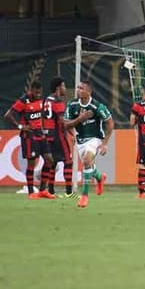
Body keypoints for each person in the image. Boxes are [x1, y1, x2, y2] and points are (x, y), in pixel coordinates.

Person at [64, 80, 114, 208]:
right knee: (89, 165)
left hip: (95, 139)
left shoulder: (97, 106)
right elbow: (65, 124)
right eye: (78, 88)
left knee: (87, 161)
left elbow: (109, 122)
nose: (78, 90)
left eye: (81, 88)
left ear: (88, 91)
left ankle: (84, 196)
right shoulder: (72, 104)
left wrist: (105, 143)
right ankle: (100, 177)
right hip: (80, 139)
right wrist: (78, 123)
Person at [3, 81, 54, 200]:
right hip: (29, 136)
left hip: (41, 134)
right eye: (36, 92)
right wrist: (20, 126)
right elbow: (7, 115)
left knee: (50, 160)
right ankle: (31, 192)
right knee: (32, 163)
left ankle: (42, 190)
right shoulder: (23, 101)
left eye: (40, 92)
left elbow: (41, 115)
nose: (38, 95)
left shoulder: (41, 100)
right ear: (30, 90)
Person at [42, 77, 75, 199]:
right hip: (58, 135)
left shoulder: (47, 100)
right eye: (64, 86)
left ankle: (50, 191)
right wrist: (73, 131)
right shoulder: (57, 101)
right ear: (58, 87)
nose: (65, 88)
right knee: (68, 161)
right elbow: (62, 122)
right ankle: (69, 192)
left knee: (52, 162)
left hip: (47, 135)